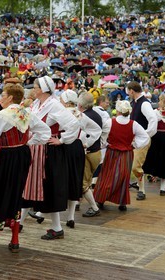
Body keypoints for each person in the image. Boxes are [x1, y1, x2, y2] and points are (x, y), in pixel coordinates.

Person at [0, 82, 50, 252]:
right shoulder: (27, 113)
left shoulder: (2, 115)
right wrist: (28, 143)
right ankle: (14, 237)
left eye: (2, 95)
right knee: (16, 191)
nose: (0, 98)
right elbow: (45, 132)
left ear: (9, 98)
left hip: (5, 155)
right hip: (23, 154)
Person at [20, 75, 79, 240]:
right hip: (36, 149)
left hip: (48, 152)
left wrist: (61, 140)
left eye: (36, 86)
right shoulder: (37, 104)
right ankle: (21, 221)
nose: (33, 88)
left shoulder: (53, 105)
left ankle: (56, 227)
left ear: (43, 89)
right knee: (32, 185)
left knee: (46, 187)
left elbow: (73, 124)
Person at [93, 100, 149, 211]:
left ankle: (100, 200)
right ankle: (121, 202)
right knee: (123, 177)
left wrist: (105, 144)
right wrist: (134, 144)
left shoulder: (110, 122)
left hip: (112, 153)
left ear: (117, 110)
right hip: (126, 154)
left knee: (107, 176)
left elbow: (102, 136)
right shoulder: (134, 124)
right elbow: (145, 137)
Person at [60, 90, 101, 228]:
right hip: (77, 148)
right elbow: (96, 130)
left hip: (63, 147)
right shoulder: (81, 115)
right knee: (75, 181)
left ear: (64, 101)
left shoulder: (60, 112)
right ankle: (70, 217)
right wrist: (86, 143)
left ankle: (42, 212)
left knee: (58, 179)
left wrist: (60, 139)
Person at [127, 81, 158, 201]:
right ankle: (137, 185)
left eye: (128, 91)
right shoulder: (135, 103)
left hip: (141, 140)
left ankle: (142, 190)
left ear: (131, 91)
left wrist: (146, 135)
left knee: (135, 166)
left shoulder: (144, 104)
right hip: (133, 139)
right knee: (131, 165)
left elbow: (153, 120)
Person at [77, 93, 103, 218]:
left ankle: (94, 207)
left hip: (88, 152)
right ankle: (77, 201)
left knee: (83, 183)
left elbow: (81, 135)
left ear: (80, 104)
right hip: (97, 152)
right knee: (85, 180)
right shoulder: (97, 115)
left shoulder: (84, 116)